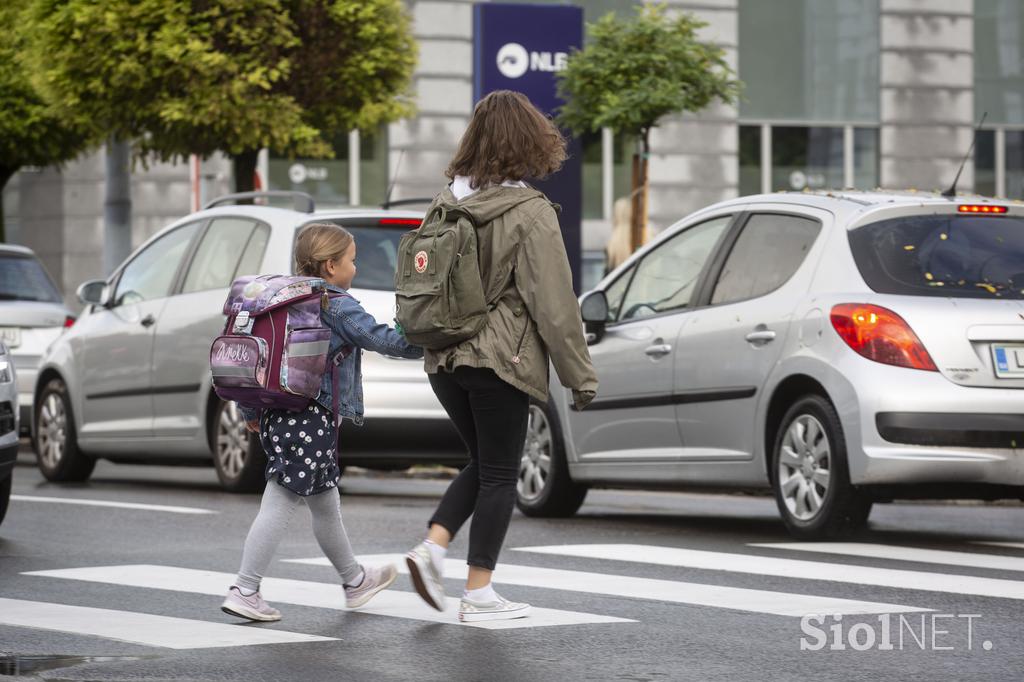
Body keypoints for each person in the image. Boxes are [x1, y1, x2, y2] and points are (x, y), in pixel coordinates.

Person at [404, 90, 599, 623]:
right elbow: (555, 306)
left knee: (486, 464)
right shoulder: (531, 213)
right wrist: (580, 377)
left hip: (444, 360)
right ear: (530, 142)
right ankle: (479, 592)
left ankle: (432, 548)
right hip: (500, 361)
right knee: (500, 475)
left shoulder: (447, 202)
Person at [221, 222, 423, 622]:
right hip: (310, 417)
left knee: (325, 501)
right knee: (281, 496)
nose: (356, 267)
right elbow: (383, 340)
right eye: (352, 259)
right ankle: (245, 588)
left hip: (280, 412)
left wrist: (252, 412)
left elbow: (251, 357)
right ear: (331, 265)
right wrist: (427, 340)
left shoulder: (281, 298)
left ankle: (354, 580)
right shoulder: (332, 302)